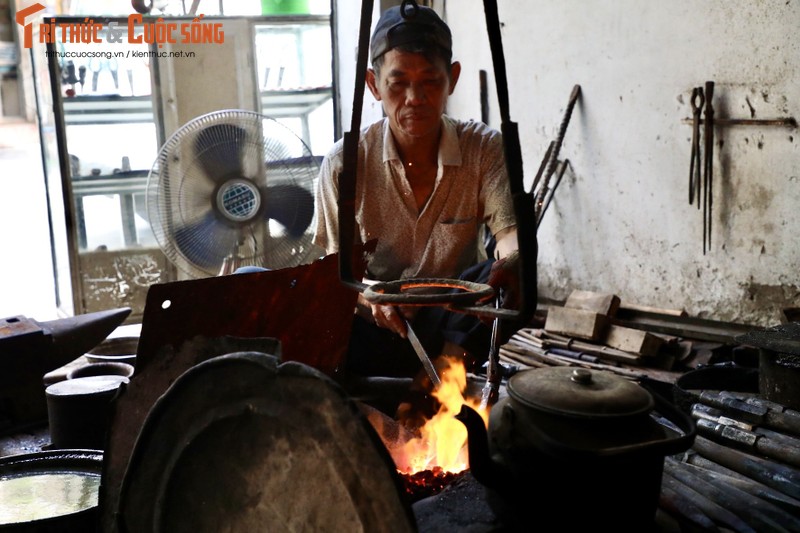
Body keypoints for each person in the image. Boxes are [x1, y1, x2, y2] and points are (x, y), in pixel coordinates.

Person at [313, 3, 520, 411]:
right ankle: (412, 386)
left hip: (454, 328)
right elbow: (340, 272)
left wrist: (511, 263)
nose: (415, 98)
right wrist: (373, 298)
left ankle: (439, 382)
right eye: (398, 83)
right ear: (373, 85)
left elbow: (509, 236)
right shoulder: (345, 164)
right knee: (310, 310)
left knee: (510, 280)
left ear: (452, 79)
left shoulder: (484, 149)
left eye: (430, 80)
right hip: (381, 328)